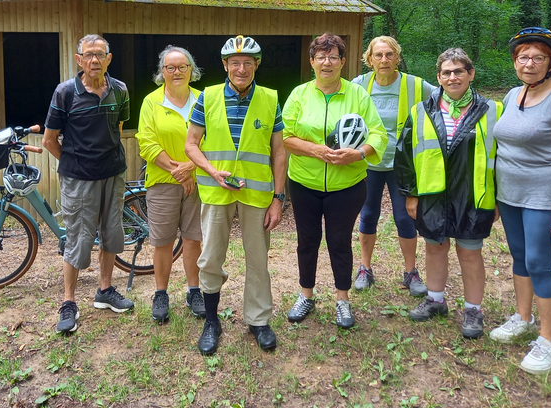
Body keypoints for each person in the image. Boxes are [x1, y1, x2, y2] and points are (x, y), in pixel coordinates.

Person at [490, 27, 551, 374]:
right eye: (523, 57)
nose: (529, 63)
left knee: (538, 262)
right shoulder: (514, 93)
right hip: (511, 194)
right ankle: (523, 317)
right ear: (515, 62)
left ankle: (549, 341)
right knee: (519, 256)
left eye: (538, 58)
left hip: (544, 196)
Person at [184, 35, 286, 355]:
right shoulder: (207, 97)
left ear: (256, 65)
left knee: (258, 260)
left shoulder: (270, 99)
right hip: (216, 192)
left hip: (257, 194)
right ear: (225, 65)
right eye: (234, 63)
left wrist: (278, 199)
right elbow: (191, 144)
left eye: (248, 62)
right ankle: (212, 321)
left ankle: (258, 322)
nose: (241, 69)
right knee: (211, 258)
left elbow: (279, 152)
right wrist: (212, 171)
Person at [395, 48, 503, 339]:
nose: (453, 77)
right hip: (433, 194)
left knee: (469, 253)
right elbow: (405, 154)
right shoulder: (421, 111)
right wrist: (411, 194)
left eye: (459, 71)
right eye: (446, 72)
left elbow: (503, 158)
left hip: (473, 194)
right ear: (439, 77)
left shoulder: (493, 110)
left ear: (471, 74)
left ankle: (473, 310)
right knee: (434, 247)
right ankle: (436, 299)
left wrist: (499, 199)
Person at [282, 33, 388, 328]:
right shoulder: (299, 94)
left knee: (339, 241)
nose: (326, 62)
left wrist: (358, 154)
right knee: (307, 241)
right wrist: (315, 150)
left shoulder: (358, 95)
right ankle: (306, 295)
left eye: (333, 57)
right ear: (312, 61)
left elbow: (379, 134)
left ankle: (342, 299)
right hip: (304, 182)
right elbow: (286, 137)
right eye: (320, 57)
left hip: (347, 186)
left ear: (342, 62)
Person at [43, 34, 134, 334]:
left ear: (109, 58)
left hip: (113, 174)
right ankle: (69, 301)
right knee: (78, 238)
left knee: (111, 231)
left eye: (100, 54)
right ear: (79, 59)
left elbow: (117, 130)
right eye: (88, 55)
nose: (94, 60)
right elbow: (49, 140)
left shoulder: (119, 90)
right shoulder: (65, 92)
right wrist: (75, 163)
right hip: (79, 179)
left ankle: (105, 291)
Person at [352, 36, 436, 296]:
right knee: (368, 215)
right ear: (369, 59)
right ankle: (365, 269)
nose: (384, 60)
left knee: (405, 217)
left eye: (389, 54)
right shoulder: (358, 85)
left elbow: (446, 97)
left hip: (402, 164)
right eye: (378, 55)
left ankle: (411, 272)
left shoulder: (417, 86)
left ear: (398, 57)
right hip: (368, 163)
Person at [136, 46, 205, 322]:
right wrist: (180, 170)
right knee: (162, 242)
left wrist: (192, 168)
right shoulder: (151, 102)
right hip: (163, 181)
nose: (177, 72)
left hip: (198, 181)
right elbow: (146, 141)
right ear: (161, 72)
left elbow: (212, 138)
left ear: (192, 70)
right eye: (170, 67)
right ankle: (161, 293)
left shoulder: (204, 100)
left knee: (193, 239)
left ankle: (194, 291)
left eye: (182, 67)